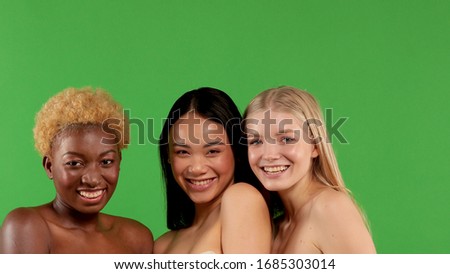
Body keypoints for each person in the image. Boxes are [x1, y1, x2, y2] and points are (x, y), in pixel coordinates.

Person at [0, 87, 153, 253]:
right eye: (74, 163)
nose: (92, 179)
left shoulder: (136, 237)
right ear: (49, 166)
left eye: (106, 161)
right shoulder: (27, 226)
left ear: (119, 162)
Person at [243, 86, 376, 253]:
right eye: (255, 141)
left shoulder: (330, 208)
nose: (269, 155)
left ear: (315, 146)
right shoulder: (273, 226)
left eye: (286, 139)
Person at [154, 87, 271, 254]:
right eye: (182, 152)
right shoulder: (161, 245)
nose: (196, 168)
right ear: (168, 155)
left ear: (237, 151)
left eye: (213, 151)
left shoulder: (242, 199)